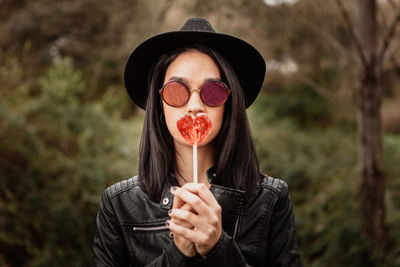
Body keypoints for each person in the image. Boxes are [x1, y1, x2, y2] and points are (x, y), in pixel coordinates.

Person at [92, 17, 301, 266]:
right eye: (176, 91)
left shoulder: (270, 200)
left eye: (212, 92)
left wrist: (219, 247)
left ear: (229, 104)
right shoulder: (119, 205)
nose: (194, 107)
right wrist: (177, 253)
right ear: (159, 105)